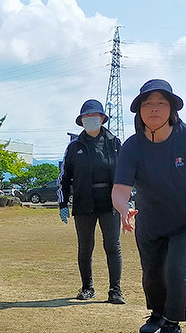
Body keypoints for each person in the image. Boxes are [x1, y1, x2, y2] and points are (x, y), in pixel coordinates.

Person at [112, 79, 186, 333]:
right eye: (148, 104)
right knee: (151, 273)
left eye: (161, 103)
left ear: (172, 108)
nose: (154, 109)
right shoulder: (132, 146)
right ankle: (157, 314)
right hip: (150, 219)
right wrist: (123, 208)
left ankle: (172, 324)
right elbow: (120, 189)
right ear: (139, 111)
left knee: (175, 267)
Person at [58, 99, 124, 304]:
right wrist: (62, 204)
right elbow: (64, 177)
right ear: (81, 121)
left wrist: (127, 199)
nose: (90, 120)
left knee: (113, 246)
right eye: (86, 117)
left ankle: (115, 290)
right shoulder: (74, 147)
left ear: (102, 118)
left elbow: (126, 174)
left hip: (110, 202)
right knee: (85, 247)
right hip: (84, 202)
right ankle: (87, 287)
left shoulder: (115, 143)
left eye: (94, 116)